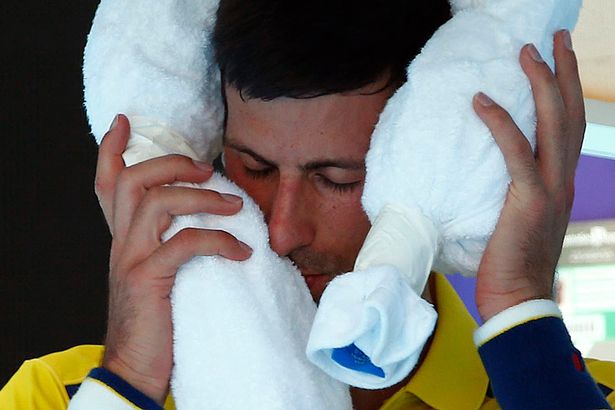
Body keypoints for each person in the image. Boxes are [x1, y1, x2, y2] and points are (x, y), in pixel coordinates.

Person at [1, 1, 614, 409]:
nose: (282, 228)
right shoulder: (63, 394)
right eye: (254, 167)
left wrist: (519, 312)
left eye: (339, 178)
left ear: (440, 170)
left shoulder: (577, 394)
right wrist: (131, 377)